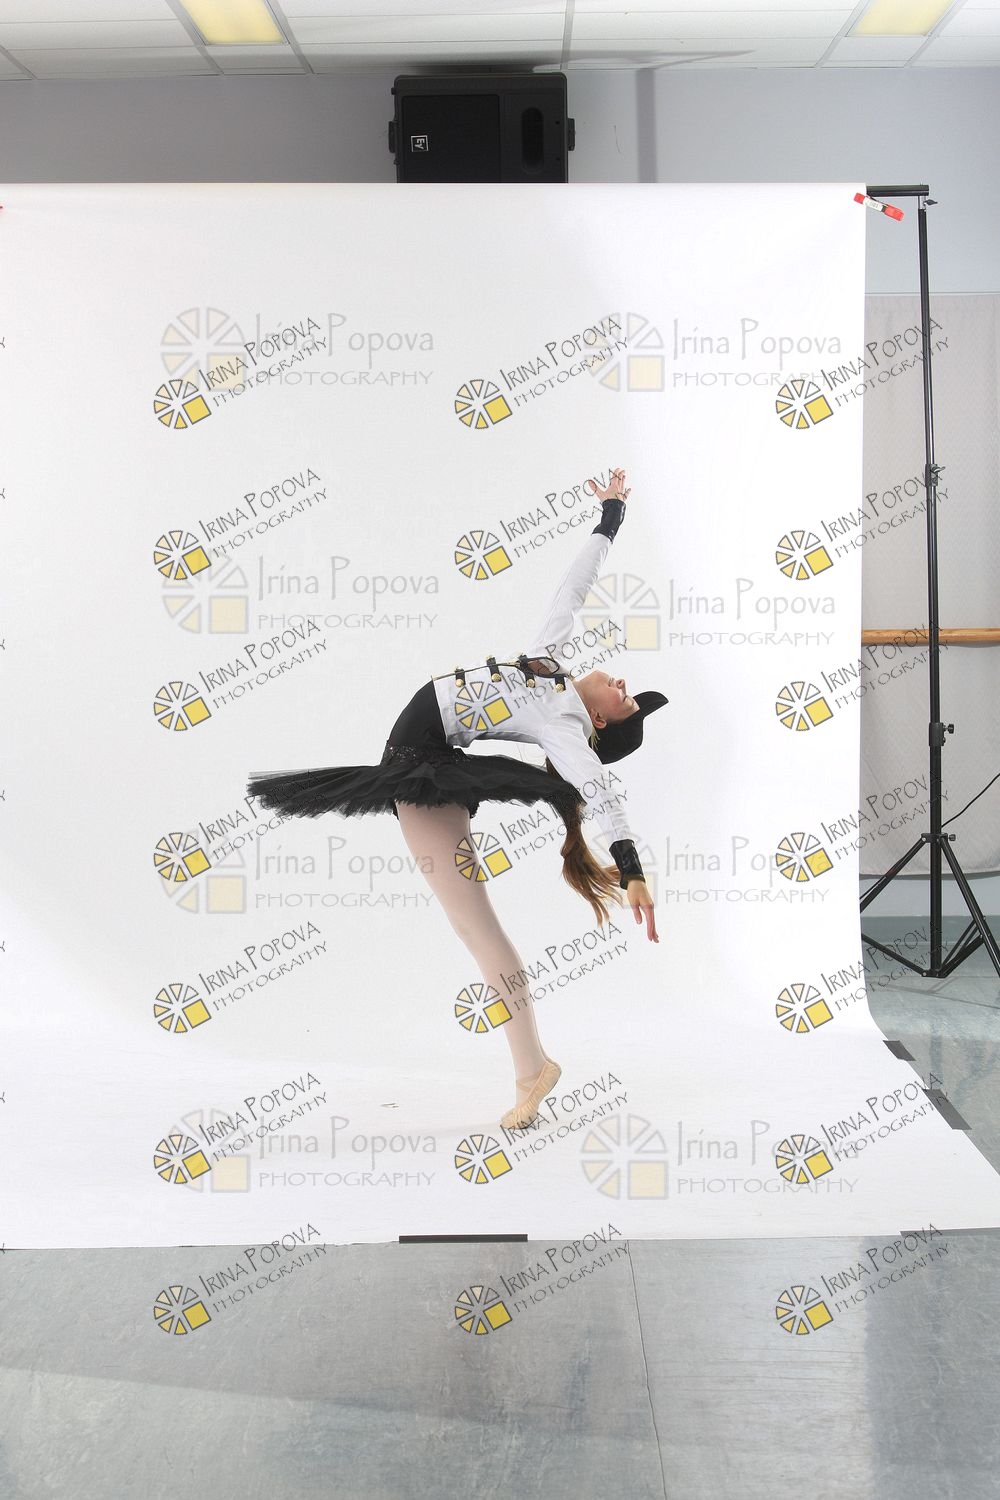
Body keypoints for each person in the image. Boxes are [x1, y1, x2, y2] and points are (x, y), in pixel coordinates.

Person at [247, 467, 667, 1129]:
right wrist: (611, 516)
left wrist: (632, 867)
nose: (620, 684)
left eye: (625, 699)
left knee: (478, 931)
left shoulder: (563, 728)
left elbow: (599, 791)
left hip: (423, 775)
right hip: (421, 766)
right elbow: (574, 585)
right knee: (475, 929)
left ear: (601, 723)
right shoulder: (550, 664)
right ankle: (533, 1066)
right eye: (627, 687)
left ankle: (532, 1071)